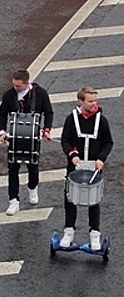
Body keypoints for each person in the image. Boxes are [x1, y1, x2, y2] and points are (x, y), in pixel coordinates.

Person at [59, 87, 113, 250]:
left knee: (94, 200)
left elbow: (108, 142)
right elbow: (65, 140)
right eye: (90, 101)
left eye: (95, 101)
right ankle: (68, 231)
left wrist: (101, 158)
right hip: (76, 164)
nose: (93, 104)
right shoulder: (71, 119)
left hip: (94, 166)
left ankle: (94, 234)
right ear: (80, 101)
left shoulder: (101, 120)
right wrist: (72, 154)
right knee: (70, 198)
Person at [0, 68, 53, 215]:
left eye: (18, 86)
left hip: (33, 137)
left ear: (27, 83)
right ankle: (13, 200)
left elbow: (48, 112)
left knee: (33, 167)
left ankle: (32, 189)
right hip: (15, 138)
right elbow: (2, 114)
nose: (15, 88)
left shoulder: (40, 94)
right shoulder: (9, 95)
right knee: (13, 169)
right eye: (14, 85)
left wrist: (47, 130)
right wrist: (2, 131)